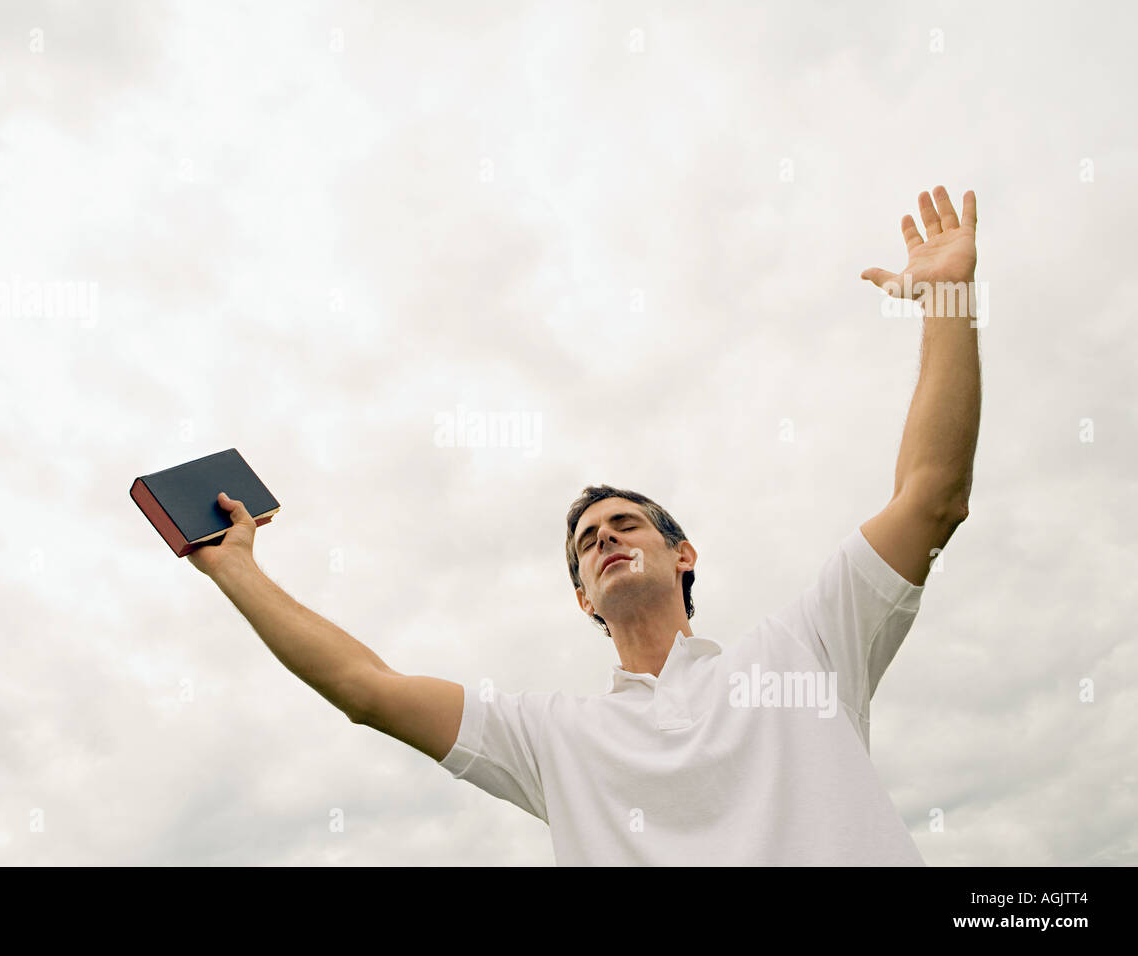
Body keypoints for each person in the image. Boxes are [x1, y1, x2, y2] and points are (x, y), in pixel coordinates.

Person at [188, 185, 981, 865]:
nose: (604, 538)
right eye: (586, 542)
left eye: (625, 523)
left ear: (683, 555)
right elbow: (368, 690)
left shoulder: (806, 649)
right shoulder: (551, 738)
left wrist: (946, 298)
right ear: (583, 602)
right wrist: (238, 571)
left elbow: (932, 497)